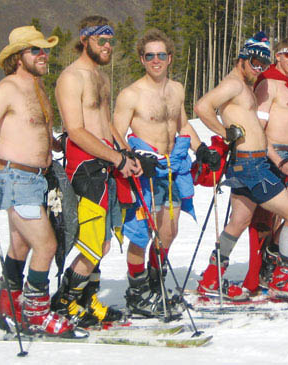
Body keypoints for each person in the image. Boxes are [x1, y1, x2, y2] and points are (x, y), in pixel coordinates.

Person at [0, 26, 74, 336]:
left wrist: (59, 145)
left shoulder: (38, 87)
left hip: (39, 178)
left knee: (21, 245)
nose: (44, 56)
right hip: (16, 177)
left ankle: (8, 305)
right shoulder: (8, 89)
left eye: (46, 50)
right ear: (17, 57)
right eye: (36, 51)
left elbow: (38, 132)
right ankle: (36, 312)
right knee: (45, 245)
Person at [194, 32, 288, 301]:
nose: (258, 67)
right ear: (243, 57)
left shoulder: (245, 84)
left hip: (250, 163)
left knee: (239, 222)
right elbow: (202, 106)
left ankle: (212, 279)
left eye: (263, 63)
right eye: (254, 61)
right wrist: (225, 132)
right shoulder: (234, 84)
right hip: (251, 166)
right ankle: (282, 281)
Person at [114, 29, 218, 317]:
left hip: (172, 169)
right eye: (150, 56)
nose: (156, 60)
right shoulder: (131, 94)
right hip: (145, 171)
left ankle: (155, 283)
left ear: (170, 58)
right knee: (140, 234)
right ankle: (137, 292)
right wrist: (130, 157)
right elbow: (116, 133)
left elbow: (182, 124)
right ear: (142, 59)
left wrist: (202, 149)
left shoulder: (176, 89)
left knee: (168, 232)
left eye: (161, 55)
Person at [51, 16, 140, 327]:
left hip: (107, 159)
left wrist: (125, 150)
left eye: (110, 40)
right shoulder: (71, 77)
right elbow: (75, 130)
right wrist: (116, 159)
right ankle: (64, 302)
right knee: (91, 240)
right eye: (101, 39)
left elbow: (106, 123)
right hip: (86, 165)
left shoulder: (100, 78)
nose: (107, 45)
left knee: (104, 238)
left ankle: (86, 300)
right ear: (84, 39)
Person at [241, 38, 288, 292]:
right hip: (273, 159)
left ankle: (274, 267)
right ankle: (276, 274)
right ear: (278, 56)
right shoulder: (268, 84)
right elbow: (258, 130)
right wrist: (277, 160)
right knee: (277, 218)